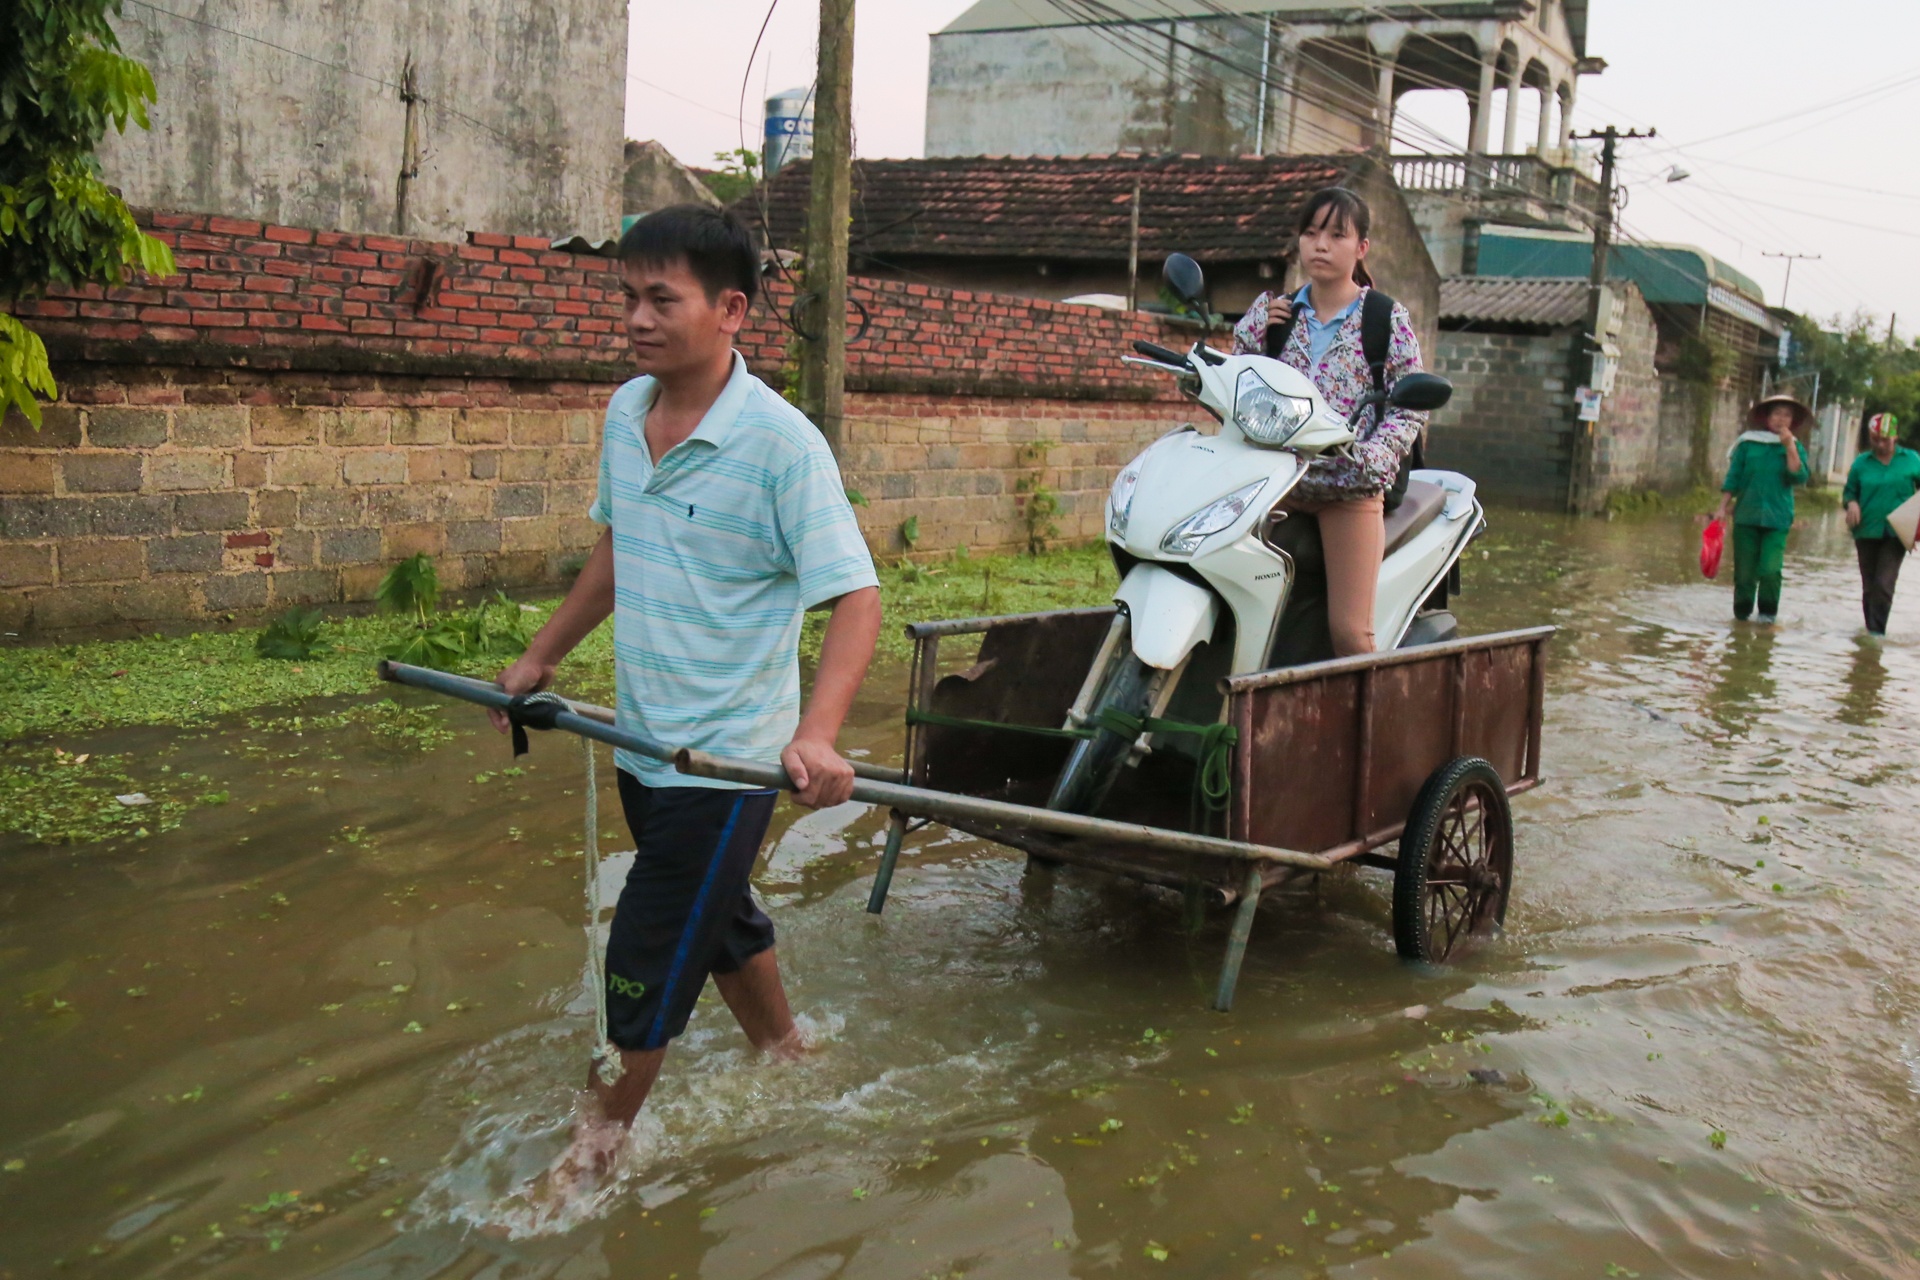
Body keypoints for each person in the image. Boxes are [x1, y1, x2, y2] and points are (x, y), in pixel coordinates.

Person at [491, 205, 882, 1148]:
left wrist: (817, 733)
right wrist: (543, 652)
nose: (636, 318)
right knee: (719, 919)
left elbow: (857, 598)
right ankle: (787, 1051)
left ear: (731, 309)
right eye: (628, 297)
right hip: (644, 743)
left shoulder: (784, 447)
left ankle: (594, 1153)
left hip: (727, 763)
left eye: (662, 299)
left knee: (647, 944)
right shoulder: (628, 413)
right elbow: (623, 548)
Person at [1230, 186, 1426, 656]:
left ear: (1360, 249)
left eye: (1337, 235)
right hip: (1278, 484)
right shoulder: (1277, 314)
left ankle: (1368, 727)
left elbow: (1409, 401)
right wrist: (1251, 334)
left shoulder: (1384, 318)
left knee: (1351, 634)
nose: (1320, 244)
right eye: (1311, 232)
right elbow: (1237, 387)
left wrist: (1374, 456)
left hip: (1348, 488)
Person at [1711, 394, 1811, 624]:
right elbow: (1734, 477)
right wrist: (1722, 507)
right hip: (1746, 515)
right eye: (1776, 413)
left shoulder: (1794, 446)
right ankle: (1741, 618)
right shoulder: (1747, 443)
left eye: (1786, 415)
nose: (1781, 419)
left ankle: (1767, 618)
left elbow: (1798, 475)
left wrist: (1789, 447)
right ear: (1766, 417)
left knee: (1770, 571)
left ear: (1793, 420)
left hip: (1778, 519)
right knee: (1744, 575)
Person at [1843, 412, 1920, 636]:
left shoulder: (1912, 460)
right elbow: (1849, 492)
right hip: (1866, 529)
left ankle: (1877, 634)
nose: (1880, 444)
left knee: (1884, 585)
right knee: (1869, 586)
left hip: (1898, 532)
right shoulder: (1861, 463)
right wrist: (1852, 503)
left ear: (1895, 437)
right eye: (1875, 439)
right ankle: (1870, 630)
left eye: (1885, 439)